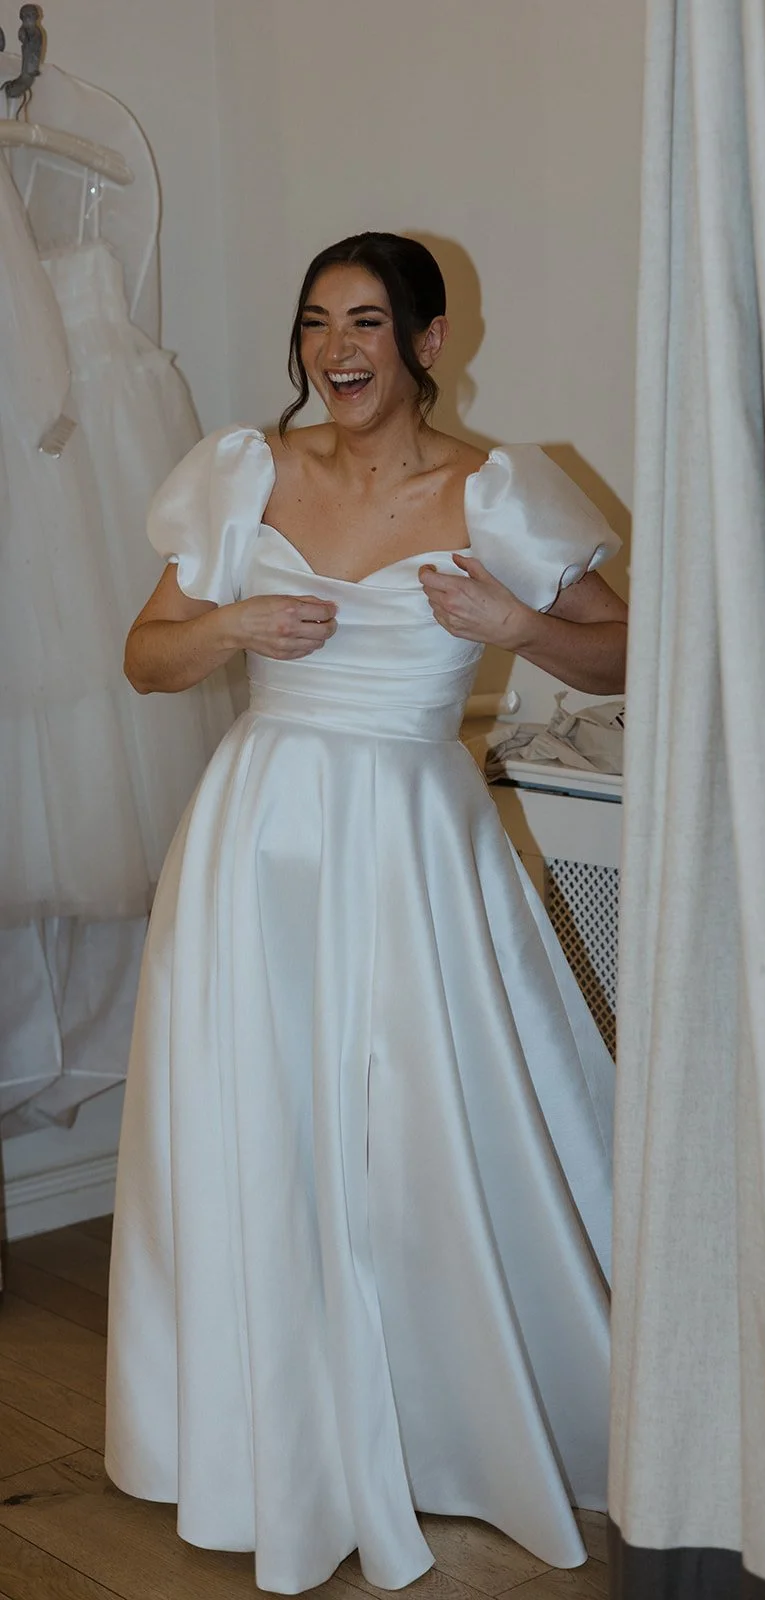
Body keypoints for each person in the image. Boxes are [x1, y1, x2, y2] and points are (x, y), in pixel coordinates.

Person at [105, 232, 627, 1596]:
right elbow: (145, 656)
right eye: (315, 322)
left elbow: (620, 643)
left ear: (427, 342)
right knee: (266, 1120)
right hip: (255, 842)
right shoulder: (246, 473)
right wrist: (232, 629)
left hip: (411, 842)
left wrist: (515, 629)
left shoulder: (497, 488)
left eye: (366, 322)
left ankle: (457, 1428)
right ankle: (266, 1430)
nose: (334, 348)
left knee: (421, 1127)